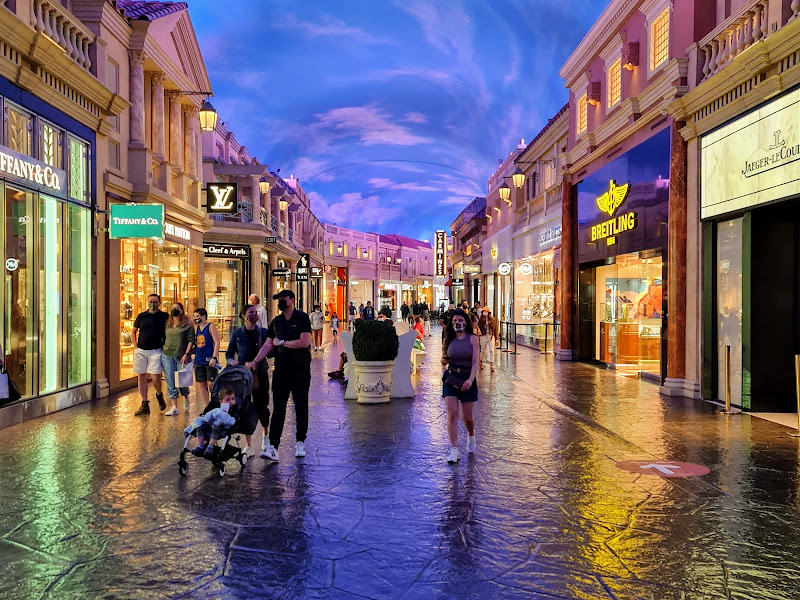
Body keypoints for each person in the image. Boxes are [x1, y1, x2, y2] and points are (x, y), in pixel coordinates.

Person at [248, 289, 312, 461]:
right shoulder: (276, 322)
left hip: (300, 369)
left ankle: (300, 441)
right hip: (281, 369)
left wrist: (282, 343)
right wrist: (255, 361)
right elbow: (269, 345)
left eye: (283, 299)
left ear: (291, 300)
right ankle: (274, 447)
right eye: (278, 299)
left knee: (301, 405)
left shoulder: (302, 318)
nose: (280, 302)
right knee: (278, 407)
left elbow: (304, 342)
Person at [226, 304, 270, 455]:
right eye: (250, 313)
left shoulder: (263, 333)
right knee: (244, 408)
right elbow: (230, 352)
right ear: (244, 316)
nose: (254, 315)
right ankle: (249, 445)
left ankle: (266, 437)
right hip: (243, 377)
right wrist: (232, 360)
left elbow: (270, 352)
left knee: (262, 406)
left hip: (260, 375)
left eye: (255, 312)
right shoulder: (237, 334)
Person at [440, 309, 479, 463]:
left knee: (468, 417)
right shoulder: (448, 339)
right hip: (451, 377)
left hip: (467, 376)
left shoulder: (472, 339)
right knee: (452, 414)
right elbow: (443, 359)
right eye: (455, 321)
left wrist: (470, 379)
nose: (458, 323)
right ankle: (454, 449)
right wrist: (444, 361)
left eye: (461, 320)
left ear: (466, 322)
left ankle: (471, 435)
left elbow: (476, 362)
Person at [132, 294, 169, 416]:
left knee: (155, 375)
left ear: (159, 303)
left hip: (156, 350)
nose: (152, 303)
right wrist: (135, 346)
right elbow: (134, 331)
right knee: (141, 376)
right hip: (141, 350)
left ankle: (159, 394)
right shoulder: (142, 316)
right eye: (150, 301)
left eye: (155, 301)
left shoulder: (164, 316)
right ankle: (144, 402)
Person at [161, 302, 195, 415]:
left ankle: (186, 397)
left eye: (177, 308)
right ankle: (174, 406)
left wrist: (187, 353)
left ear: (181, 310)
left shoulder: (187, 324)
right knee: (170, 380)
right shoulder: (167, 324)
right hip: (167, 354)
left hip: (181, 355)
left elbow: (191, 340)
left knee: (182, 381)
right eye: (173, 308)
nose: (174, 310)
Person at [186, 387, 236, 457]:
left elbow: (231, 420)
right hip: (211, 424)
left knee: (216, 428)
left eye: (233, 399)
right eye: (228, 400)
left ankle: (210, 446)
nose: (231, 401)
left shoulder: (234, 409)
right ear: (221, 401)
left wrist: (225, 415)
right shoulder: (217, 407)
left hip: (222, 427)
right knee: (201, 426)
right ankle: (200, 446)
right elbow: (210, 414)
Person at [192, 308, 221, 409]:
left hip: (209, 359)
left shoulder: (210, 327)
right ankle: (207, 406)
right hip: (199, 359)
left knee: (211, 383)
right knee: (201, 383)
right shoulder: (197, 329)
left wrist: (214, 357)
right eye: (194, 317)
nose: (195, 319)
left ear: (203, 317)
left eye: (197, 317)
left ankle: (216, 402)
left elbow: (217, 342)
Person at [477, 307, 498, 372]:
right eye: (484, 311)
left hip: (491, 336)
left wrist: (496, 338)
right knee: (483, 350)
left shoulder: (492, 320)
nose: (485, 313)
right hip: (483, 336)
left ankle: (492, 364)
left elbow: (495, 329)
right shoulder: (481, 320)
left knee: (491, 350)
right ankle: (481, 361)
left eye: (486, 311)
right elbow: (478, 327)